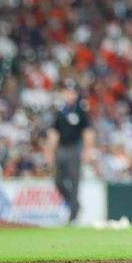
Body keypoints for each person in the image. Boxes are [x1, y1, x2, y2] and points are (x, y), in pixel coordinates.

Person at [44, 79, 94, 223]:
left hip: (74, 148)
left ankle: (73, 214)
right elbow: (53, 134)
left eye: (71, 92)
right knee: (58, 181)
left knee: (74, 180)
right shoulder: (60, 112)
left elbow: (88, 132)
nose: (69, 95)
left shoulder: (81, 111)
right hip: (61, 149)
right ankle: (75, 204)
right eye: (66, 92)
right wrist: (49, 152)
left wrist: (87, 150)